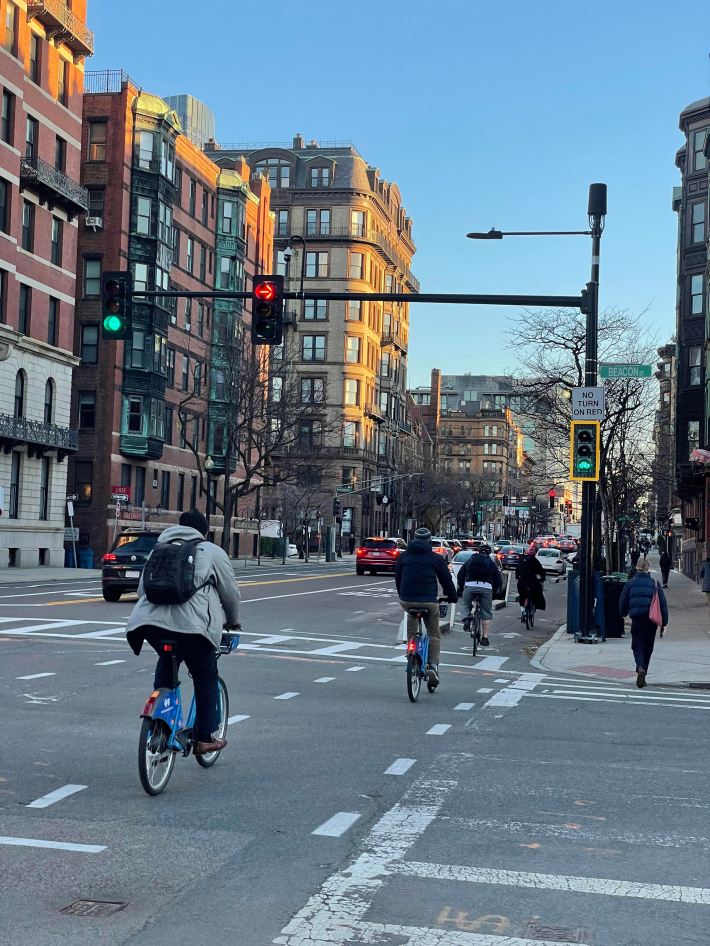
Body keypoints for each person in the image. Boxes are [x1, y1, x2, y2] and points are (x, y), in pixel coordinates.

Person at [126, 509, 241, 754]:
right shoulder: (211, 551)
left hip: (150, 625)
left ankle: (160, 723)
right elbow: (230, 593)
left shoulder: (159, 549)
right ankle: (204, 738)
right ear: (204, 531)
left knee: (166, 661)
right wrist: (233, 621)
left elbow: (141, 591)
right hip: (194, 629)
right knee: (205, 675)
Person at [395, 527, 458, 688]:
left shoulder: (404, 556)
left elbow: (398, 578)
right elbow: (446, 580)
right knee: (434, 634)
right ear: (429, 541)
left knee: (411, 617)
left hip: (407, 599)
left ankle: (410, 652)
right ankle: (433, 665)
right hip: (429, 601)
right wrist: (452, 597)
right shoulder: (435, 558)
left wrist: (402, 594)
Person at [619, 556, 668, 688]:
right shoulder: (655, 584)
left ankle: (640, 667)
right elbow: (663, 604)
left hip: (637, 619)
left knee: (637, 646)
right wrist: (664, 623)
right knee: (648, 647)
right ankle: (644, 670)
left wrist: (623, 613)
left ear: (636, 568)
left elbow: (622, 602)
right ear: (648, 569)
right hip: (651, 620)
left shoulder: (630, 583)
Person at [457, 544, 502, 647]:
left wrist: (461, 587)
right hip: (486, 587)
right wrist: (494, 592)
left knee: (466, 604)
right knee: (486, 611)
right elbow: (498, 579)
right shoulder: (490, 563)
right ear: (489, 553)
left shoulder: (471, 560)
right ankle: (485, 638)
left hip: (470, 585)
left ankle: (467, 618)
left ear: (478, 552)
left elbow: (461, 574)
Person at [515, 548, 546, 621]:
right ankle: (535, 606)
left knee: (522, 595)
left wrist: (517, 577)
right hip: (532, 581)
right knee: (537, 593)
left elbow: (517, 570)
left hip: (522, 582)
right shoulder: (535, 561)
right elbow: (541, 571)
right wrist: (542, 578)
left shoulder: (522, 560)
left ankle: (523, 611)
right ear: (535, 554)